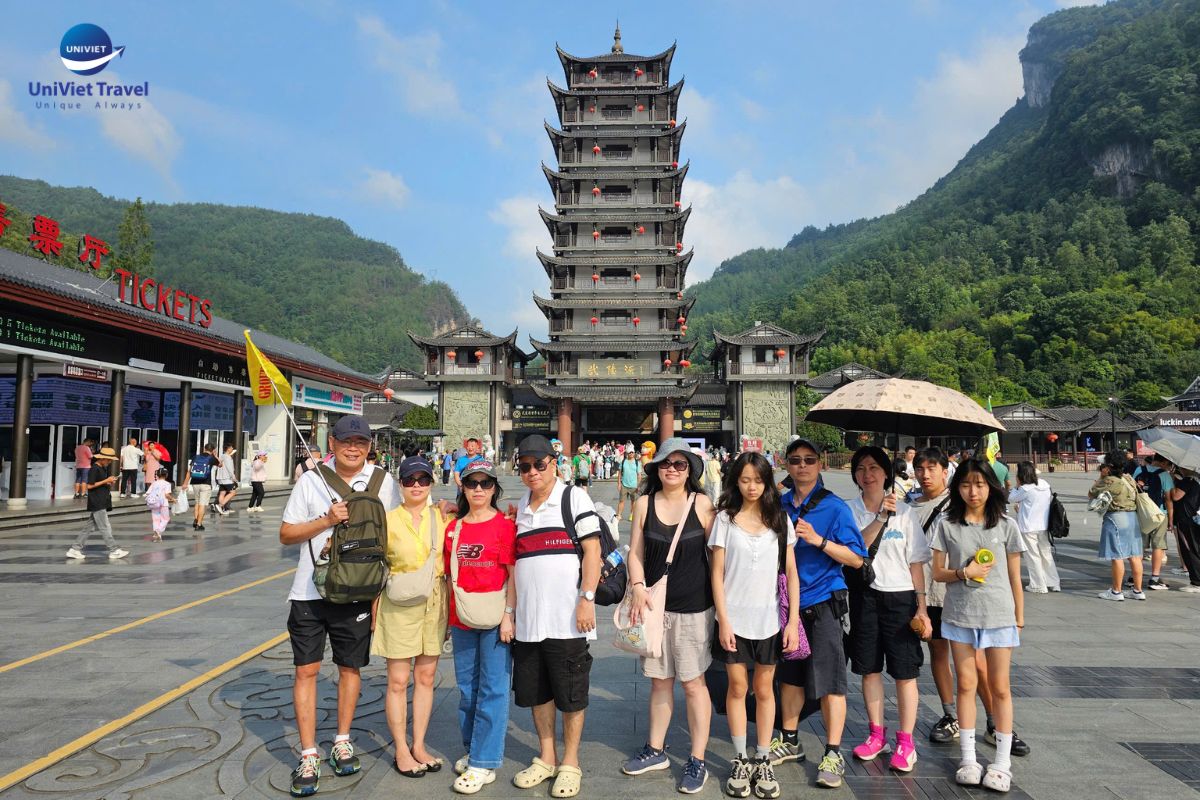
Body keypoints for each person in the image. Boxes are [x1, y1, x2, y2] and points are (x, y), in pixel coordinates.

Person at [279, 415, 400, 796]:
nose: (353, 448)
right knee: (307, 670)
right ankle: (308, 753)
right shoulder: (311, 480)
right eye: (346, 441)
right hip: (309, 593)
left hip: (358, 592)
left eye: (360, 442)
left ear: (369, 446)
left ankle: (342, 740)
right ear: (332, 443)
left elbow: (397, 530)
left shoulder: (383, 481)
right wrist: (326, 520)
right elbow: (286, 534)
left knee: (350, 668)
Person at [622, 439, 718, 794]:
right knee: (660, 681)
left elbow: (718, 556)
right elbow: (635, 552)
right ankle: (656, 749)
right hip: (654, 608)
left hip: (694, 608)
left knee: (693, 683)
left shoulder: (702, 504)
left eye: (680, 464)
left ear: (690, 470)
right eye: (666, 463)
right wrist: (637, 585)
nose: (672, 469)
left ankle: (697, 758)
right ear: (656, 468)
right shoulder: (643, 503)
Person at [510, 434, 601, 799]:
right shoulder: (521, 504)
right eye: (525, 466)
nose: (532, 472)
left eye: (539, 464)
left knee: (571, 694)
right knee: (538, 693)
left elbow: (592, 551)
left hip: (567, 620)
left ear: (554, 464)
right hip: (529, 621)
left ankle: (570, 761)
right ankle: (546, 756)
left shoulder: (572, 497)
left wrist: (587, 598)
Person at [774, 438, 866, 789]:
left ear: (820, 464)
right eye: (795, 460)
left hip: (824, 602)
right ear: (786, 464)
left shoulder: (834, 508)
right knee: (791, 677)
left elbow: (856, 559)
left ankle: (832, 752)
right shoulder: (779, 505)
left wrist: (819, 541)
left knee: (830, 682)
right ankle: (789, 739)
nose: (802, 466)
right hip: (788, 606)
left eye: (809, 460)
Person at [930, 457, 1025, 792]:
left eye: (980, 484)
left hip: (999, 614)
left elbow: (1015, 576)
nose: (973, 491)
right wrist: (963, 573)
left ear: (991, 487)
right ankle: (969, 759)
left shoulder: (1006, 525)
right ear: (957, 487)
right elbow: (937, 573)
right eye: (967, 484)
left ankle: (1001, 763)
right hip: (960, 615)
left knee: (1000, 687)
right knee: (966, 685)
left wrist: (1019, 616)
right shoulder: (947, 525)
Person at [709, 452, 799, 799]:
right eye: (745, 479)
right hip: (734, 618)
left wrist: (792, 621)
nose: (751, 487)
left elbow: (791, 572)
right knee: (736, 687)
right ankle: (740, 758)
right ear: (735, 481)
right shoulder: (725, 519)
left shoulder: (780, 519)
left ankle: (763, 757)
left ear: (768, 483)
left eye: (758, 480)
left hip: (769, 619)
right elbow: (717, 573)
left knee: (764, 689)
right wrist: (723, 620)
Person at [845, 447, 931, 774]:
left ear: (886, 473)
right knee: (869, 669)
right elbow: (855, 550)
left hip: (901, 598)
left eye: (874, 468)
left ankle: (906, 742)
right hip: (864, 596)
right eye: (861, 468)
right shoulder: (849, 510)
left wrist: (921, 608)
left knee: (905, 672)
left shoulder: (906, 513)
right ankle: (876, 735)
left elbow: (916, 563)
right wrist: (880, 517)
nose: (868, 474)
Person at [373, 456, 450, 778]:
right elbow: (376, 567)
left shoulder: (443, 516)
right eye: (409, 480)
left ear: (431, 483)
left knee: (426, 677)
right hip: (398, 605)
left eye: (423, 479)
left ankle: (418, 744)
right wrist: (374, 611)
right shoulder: (387, 520)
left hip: (435, 602)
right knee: (398, 680)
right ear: (400, 484)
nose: (416, 486)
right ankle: (401, 749)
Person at [444, 460, 517, 794]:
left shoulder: (504, 526)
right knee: (467, 689)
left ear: (494, 489)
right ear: (462, 487)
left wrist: (509, 615)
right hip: (462, 618)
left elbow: (512, 575)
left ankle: (484, 762)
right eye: (471, 483)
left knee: (493, 689)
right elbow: (449, 576)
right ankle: (474, 748)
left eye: (485, 484)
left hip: (495, 618)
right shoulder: (453, 528)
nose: (478, 489)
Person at [1090, 449, 1145, 601]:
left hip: (1116, 518)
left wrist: (1101, 477)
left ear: (1109, 466)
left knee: (1117, 556)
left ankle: (1116, 591)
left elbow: (1091, 493)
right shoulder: (1129, 478)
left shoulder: (1110, 481)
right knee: (1135, 555)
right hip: (1132, 517)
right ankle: (1138, 590)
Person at [65, 446, 127, 559]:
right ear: (102, 458)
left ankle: (75, 549)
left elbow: (98, 483)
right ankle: (114, 550)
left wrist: (107, 482)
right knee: (104, 527)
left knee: (89, 528)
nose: (109, 462)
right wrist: (106, 480)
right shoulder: (95, 468)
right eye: (109, 460)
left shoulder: (102, 468)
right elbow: (89, 486)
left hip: (101, 500)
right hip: (97, 501)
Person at [1008, 462, 1059, 593]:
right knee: (1046, 554)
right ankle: (1053, 582)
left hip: (1028, 526)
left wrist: (1017, 485)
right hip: (1043, 525)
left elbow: (1011, 497)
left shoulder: (1025, 489)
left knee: (1033, 556)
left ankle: (1038, 585)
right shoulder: (1044, 484)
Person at [1135, 454, 1175, 590]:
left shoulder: (1139, 470)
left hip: (1141, 514)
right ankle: (1154, 579)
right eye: (1168, 464)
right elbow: (1169, 499)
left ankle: (1134, 577)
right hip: (1159, 514)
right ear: (1164, 462)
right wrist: (1171, 519)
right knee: (1158, 546)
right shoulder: (1164, 475)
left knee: (1140, 546)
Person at [1167, 463, 1200, 593]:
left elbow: (1176, 496)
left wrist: (1170, 481)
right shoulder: (1197, 480)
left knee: (1189, 549)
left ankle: (1196, 582)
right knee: (1195, 548)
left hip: (1186, 519)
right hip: (1194, 518)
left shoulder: (1188, 480)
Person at [181, 443, 218, 531]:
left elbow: (189, 471)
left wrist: (185, 483)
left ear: (204, 449)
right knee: (202, 504)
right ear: (213, 450)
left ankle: (196, 519)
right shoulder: (211, 458)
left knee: (197, 502)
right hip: (206, 484)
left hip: (195, 483)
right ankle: (199, 524)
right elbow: (220, 464)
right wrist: (215, 455)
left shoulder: (196, 457)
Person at [145, 467, 175, 542]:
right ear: (166, 475)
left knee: (156, 520)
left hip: (154, 503)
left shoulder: (154, 483)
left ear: (158, 475)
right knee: (165, 519)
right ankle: (158, 531)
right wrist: (173, 499)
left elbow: (148, 493)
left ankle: (157, 536)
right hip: (163, 504)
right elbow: (167, 495)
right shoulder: (167, 484)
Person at [617, 448, 640, 523]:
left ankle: (632, 514)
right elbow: (619, 474)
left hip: (634, 485)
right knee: (621, 500)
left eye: (632, 452)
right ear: (627, 453)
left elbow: (639, 475)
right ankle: (619, 514)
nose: (631, 454)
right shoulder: (623, 461)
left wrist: (638, 485)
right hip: (624, 484)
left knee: (633, 501)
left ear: (634, 453)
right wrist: (619, 483)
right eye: (630, 452)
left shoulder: (637, 462)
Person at [214, 444, 239, 515]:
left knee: (222, 492)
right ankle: (220, 505)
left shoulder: (222, 456)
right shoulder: (228, 457)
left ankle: (222, 509)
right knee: (233, 492)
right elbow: (229, 468)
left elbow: (218, 463)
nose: (232, 449)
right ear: (228, 449)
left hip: (220, 478)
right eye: (231, 448)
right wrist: (233, 477)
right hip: (226, 478)